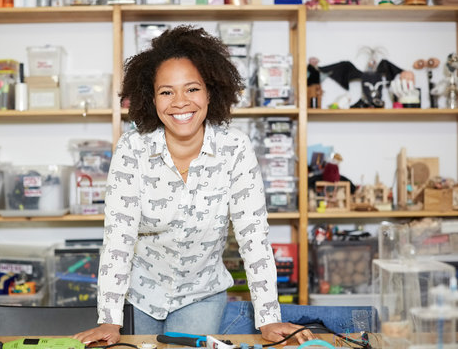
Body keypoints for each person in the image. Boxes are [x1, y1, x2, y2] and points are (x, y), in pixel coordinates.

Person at [73, 25, 315, 346]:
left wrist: (269, 318)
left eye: (192, 89)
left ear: (210, 91)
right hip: (140, 294)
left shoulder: (236, 149)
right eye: (166, 91)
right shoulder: (133, 149)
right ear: (151, 97)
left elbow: (253, 237)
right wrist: (108, 317)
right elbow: (119, 236)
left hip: (202, 294)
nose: (180, 102)